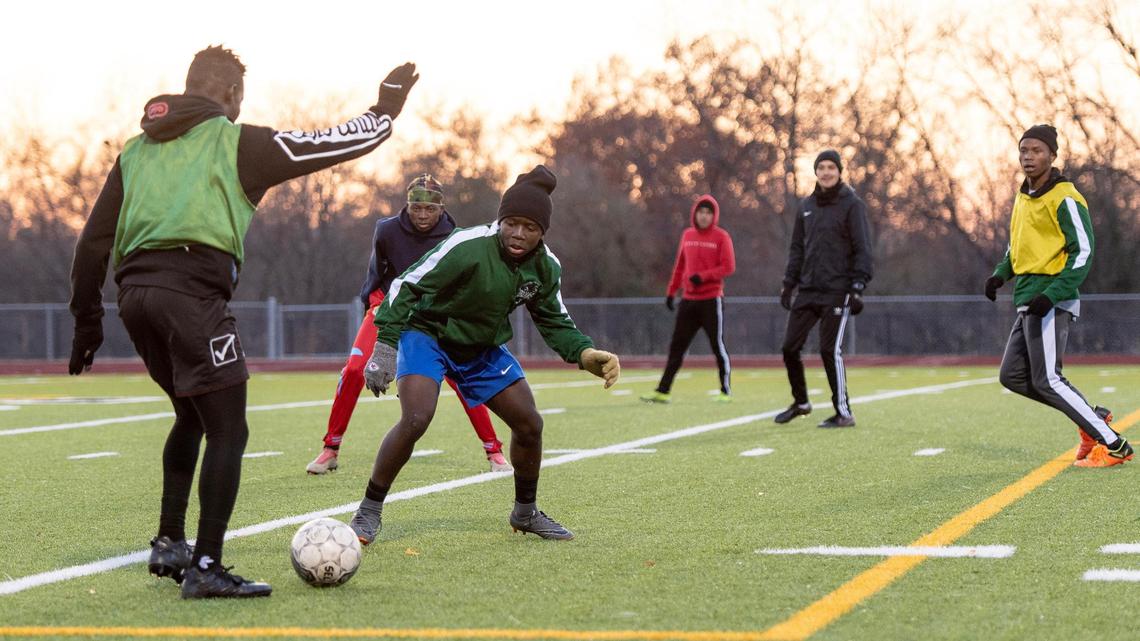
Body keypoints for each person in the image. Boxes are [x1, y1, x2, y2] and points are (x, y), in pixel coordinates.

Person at [67, 46, 417, 598]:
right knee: (229, 426)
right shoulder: (235, 140)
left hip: (134, 298)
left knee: (191, 414)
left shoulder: (135, 151)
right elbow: (334, 143)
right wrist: (385, 110)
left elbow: (92, 242)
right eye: (239, 97)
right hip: (191, 295)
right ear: (231, 94)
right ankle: (206, 567)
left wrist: (87, 321)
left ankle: (169, 542)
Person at [347, 165, 620, 545]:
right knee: (417, 418)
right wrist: (386, 344)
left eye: (530, 227)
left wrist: (585, 353)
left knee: (529, 424)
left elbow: (554, 319)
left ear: (543, 232)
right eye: (512, 223)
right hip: (428, 334)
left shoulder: (545, 267)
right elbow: (405, 284)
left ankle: (525, 512)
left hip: (481, 348)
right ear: (500, 220)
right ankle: (369, 510)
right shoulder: (468, 245)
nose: (519, 234)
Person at [306, 175, 511, 475]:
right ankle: (330, 448)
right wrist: (374, 307)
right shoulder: (386, 230)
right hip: (387, 307)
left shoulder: (454, 235)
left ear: (441, 208)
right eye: (417, 208)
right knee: (353, 369)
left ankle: (494, 451)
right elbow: (376, 274)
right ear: (408, 205)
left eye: (430, 208)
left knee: (461, 375)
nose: (423, 215)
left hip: (431, 315)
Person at [985, 124, 1130, 468]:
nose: (1028, 157)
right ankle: (1092, 419)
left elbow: (1083, 252)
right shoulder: (1023, 196)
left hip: (1051, 300)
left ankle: (1114, 444)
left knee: (1048, 378)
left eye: (1036, 151)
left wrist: (1052, 294)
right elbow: (1016, 246)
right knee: (1013, 377)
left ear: (1052, 155)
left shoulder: (1065, 197)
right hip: (1028, 299)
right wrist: (999, 274)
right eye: (1023, 151)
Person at [774, 149, 873, 428]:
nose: (826, 172)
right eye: (821, 167)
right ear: (815, 172)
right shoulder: (806, 206)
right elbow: (796, 249)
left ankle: (843, 412)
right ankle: (801, 402)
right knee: (789, 347)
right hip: (808, 289)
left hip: (837, 290)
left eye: (831, 167)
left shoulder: (852, 205)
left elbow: (862, 248)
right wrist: (788, 284)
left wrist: (857, 285)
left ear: (840, 171)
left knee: (829, 350)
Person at [640, 195, 735, 404]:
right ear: (695, 214)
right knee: (677, 346)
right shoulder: (687, 235)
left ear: (714, 216)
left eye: (708, 212)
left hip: (711, 300)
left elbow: (728, 267)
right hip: (688, 300)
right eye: (701, 211)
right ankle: (663, 390)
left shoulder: (721, 237)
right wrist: (671, 292)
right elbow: (680, 266)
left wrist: (703, 276)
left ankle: (725, 389)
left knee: (716, 345)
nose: (704, 216)